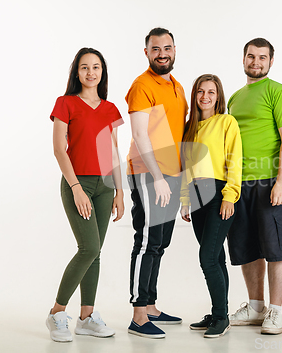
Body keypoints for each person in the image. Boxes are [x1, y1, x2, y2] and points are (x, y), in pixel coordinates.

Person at [47, 47, 124, 342]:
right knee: (88, 248)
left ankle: (87, 317)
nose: (90, 72)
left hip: (105, 187)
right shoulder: (66, 103)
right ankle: (56, 313)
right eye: (84, 67)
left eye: (96, 67)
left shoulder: (110, 109)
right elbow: (58, 149)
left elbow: (113, 152)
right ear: (76, 72)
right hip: (77, 183)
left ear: (102, 72)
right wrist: (76, 187)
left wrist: (119, 192)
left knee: (96, 253)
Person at [227, 38, 282, 335]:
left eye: (262, 57)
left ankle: (276, 311)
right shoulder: (233, 97)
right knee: (247, 247)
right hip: (238, 183)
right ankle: (256, 307)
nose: (256, 62)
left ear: (270, 62)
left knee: (277, 248)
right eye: (251, 56)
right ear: (243, 59)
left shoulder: (278, 93)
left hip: (270, 181)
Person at [125, 27, 188, 339]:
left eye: (167, 47)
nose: (162, 53)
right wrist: (159, 177)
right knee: (147, 240)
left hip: (172, 174)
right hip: (149, 173)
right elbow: (139, 134)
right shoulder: (141, 85)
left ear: (174, 49)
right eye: (155, 48)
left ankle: (150, 305)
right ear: (146, 52)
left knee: (161, 242)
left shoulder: (176, 85)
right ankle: (138, 315)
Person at [179, 74, 242, 338]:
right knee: (215, 258)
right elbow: (186, 167)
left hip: (218, 194)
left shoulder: (226, 122)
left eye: (211, 92)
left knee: (207, 258)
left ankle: (220, 317)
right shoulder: (190, 127)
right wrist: (184, 199)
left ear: (219, 96)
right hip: (196, 197)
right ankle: (220, 313)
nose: (205, 97)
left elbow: (234, 160)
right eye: (200, 92)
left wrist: (230, 195)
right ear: (194, 96)